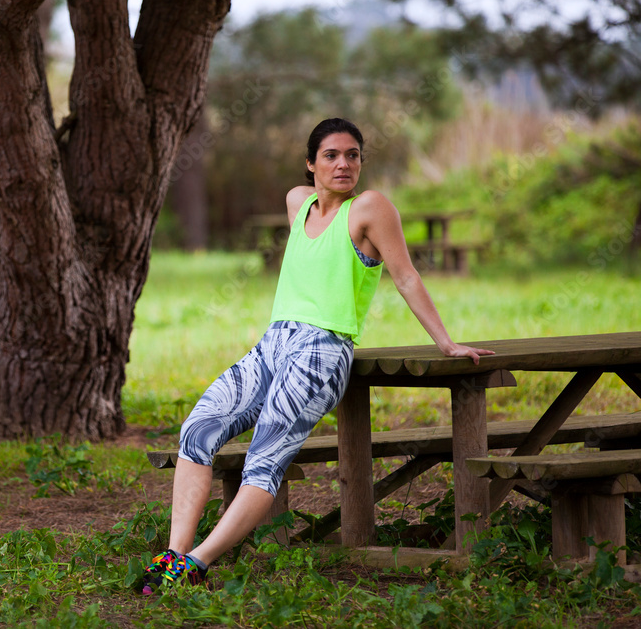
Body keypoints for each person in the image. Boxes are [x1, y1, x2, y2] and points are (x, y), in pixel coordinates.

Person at [138, 117, 494, 595]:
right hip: (273, 343)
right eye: (331, 155)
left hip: (321, 351)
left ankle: (198, 564)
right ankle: (172, 556)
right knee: (197, 430)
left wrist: (446, 343)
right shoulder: (297, 201)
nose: (344, 163)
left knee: (264, 460)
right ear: (311, 164)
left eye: (353, 155)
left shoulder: (369, 209)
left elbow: (406, 276)